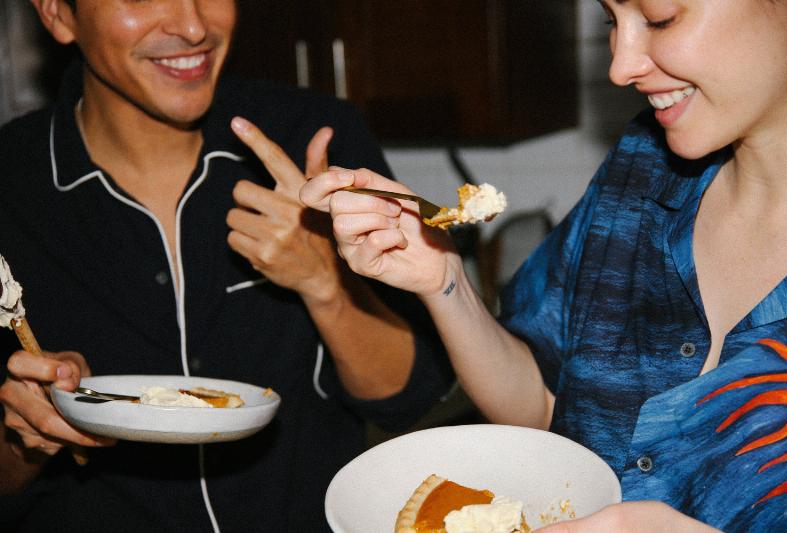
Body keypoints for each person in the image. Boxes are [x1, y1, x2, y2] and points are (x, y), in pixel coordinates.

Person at [299, 1, 787, 531]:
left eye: (659, 19)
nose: (620, 66)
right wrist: (443, 279)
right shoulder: (641, 167)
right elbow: (541, 405)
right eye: (612, 21)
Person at [0, 1, 451, 531]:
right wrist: (29, 436)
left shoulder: (310, 135)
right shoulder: (12, 184)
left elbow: (409, 399)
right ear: (58, 14)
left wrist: (322, 281)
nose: (193, 27)